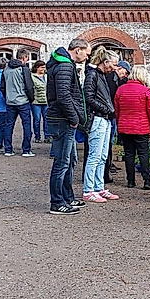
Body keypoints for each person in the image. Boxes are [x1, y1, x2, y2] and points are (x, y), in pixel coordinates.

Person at [47, 39, 90, 215]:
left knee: (70, 160)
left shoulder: (63, 64)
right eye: (86, 53)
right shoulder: (65, 66)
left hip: (62, 118)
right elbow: (63, 95)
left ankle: (67, 197)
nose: (87, 57)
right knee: (62, 162)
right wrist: (73, 118)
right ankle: (57, 202)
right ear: (78, 50)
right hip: (62, 119)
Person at [83, 50, 120, 202]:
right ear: (105, 62)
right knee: (95, 155)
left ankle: (98, 187)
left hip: (104, 118)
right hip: (98, 118)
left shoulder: (100, 75)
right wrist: (106, 109)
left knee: (102, 156)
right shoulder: (93, 75)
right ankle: (88, 190)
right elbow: (89, 97)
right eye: (114, 64)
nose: (115, 68)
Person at [114, 65, 150, 191]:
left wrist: (119, 124)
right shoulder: (145, 91)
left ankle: (130, 181)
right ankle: (147, 180)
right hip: (141, 127)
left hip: (125, 126)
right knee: (143, 154)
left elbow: (117, 110)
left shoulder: (120, 90)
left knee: (129, 154)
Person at [0, 50, 36, 157]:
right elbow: (29, 86)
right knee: (26, 125)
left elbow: (2, 87)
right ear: (24, 57)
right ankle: (26, 150)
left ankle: (8, 149)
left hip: (10, 101)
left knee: (9, 126)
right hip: (23, 101)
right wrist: (31, 98)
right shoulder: (24, 69)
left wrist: (7, 97)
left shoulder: (6, 69)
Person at [31, 62, 49, 143]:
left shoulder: (46, 76)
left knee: (46, 119)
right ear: (37, 67)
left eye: (44, 67)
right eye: (41, 67)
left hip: (46, 101)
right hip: (36, 101)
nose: (43, 69)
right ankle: (37, 136)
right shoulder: (32, 76)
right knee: (37, 119)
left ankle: (47, 136)